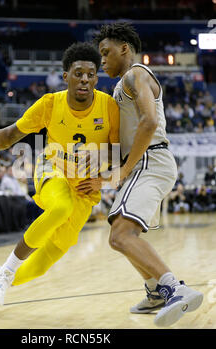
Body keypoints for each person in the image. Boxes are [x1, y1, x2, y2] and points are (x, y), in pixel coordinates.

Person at [0, 42, 120, 317]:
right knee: (60, 206)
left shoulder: (109, 106)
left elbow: (117, 151)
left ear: (96, 78)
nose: (85, 79)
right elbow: (8, 136)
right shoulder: (50, 104)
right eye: (78, 73)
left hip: (85, 189)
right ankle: (4, 273)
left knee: (41, 265)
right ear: (66, 76)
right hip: (52, 169)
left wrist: (104, 172)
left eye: (91, 73)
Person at [85, 22, 203, 327]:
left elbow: (149, 123)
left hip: (149, 160)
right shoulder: (122, 83)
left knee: (122, 235)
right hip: (144, 162)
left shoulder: (136, 74)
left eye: (106, 52)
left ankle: (174, 289)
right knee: (121, 236)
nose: (103, 60)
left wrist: (123, 170)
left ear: (124, 48)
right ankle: (154, 291)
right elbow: (124, 135)